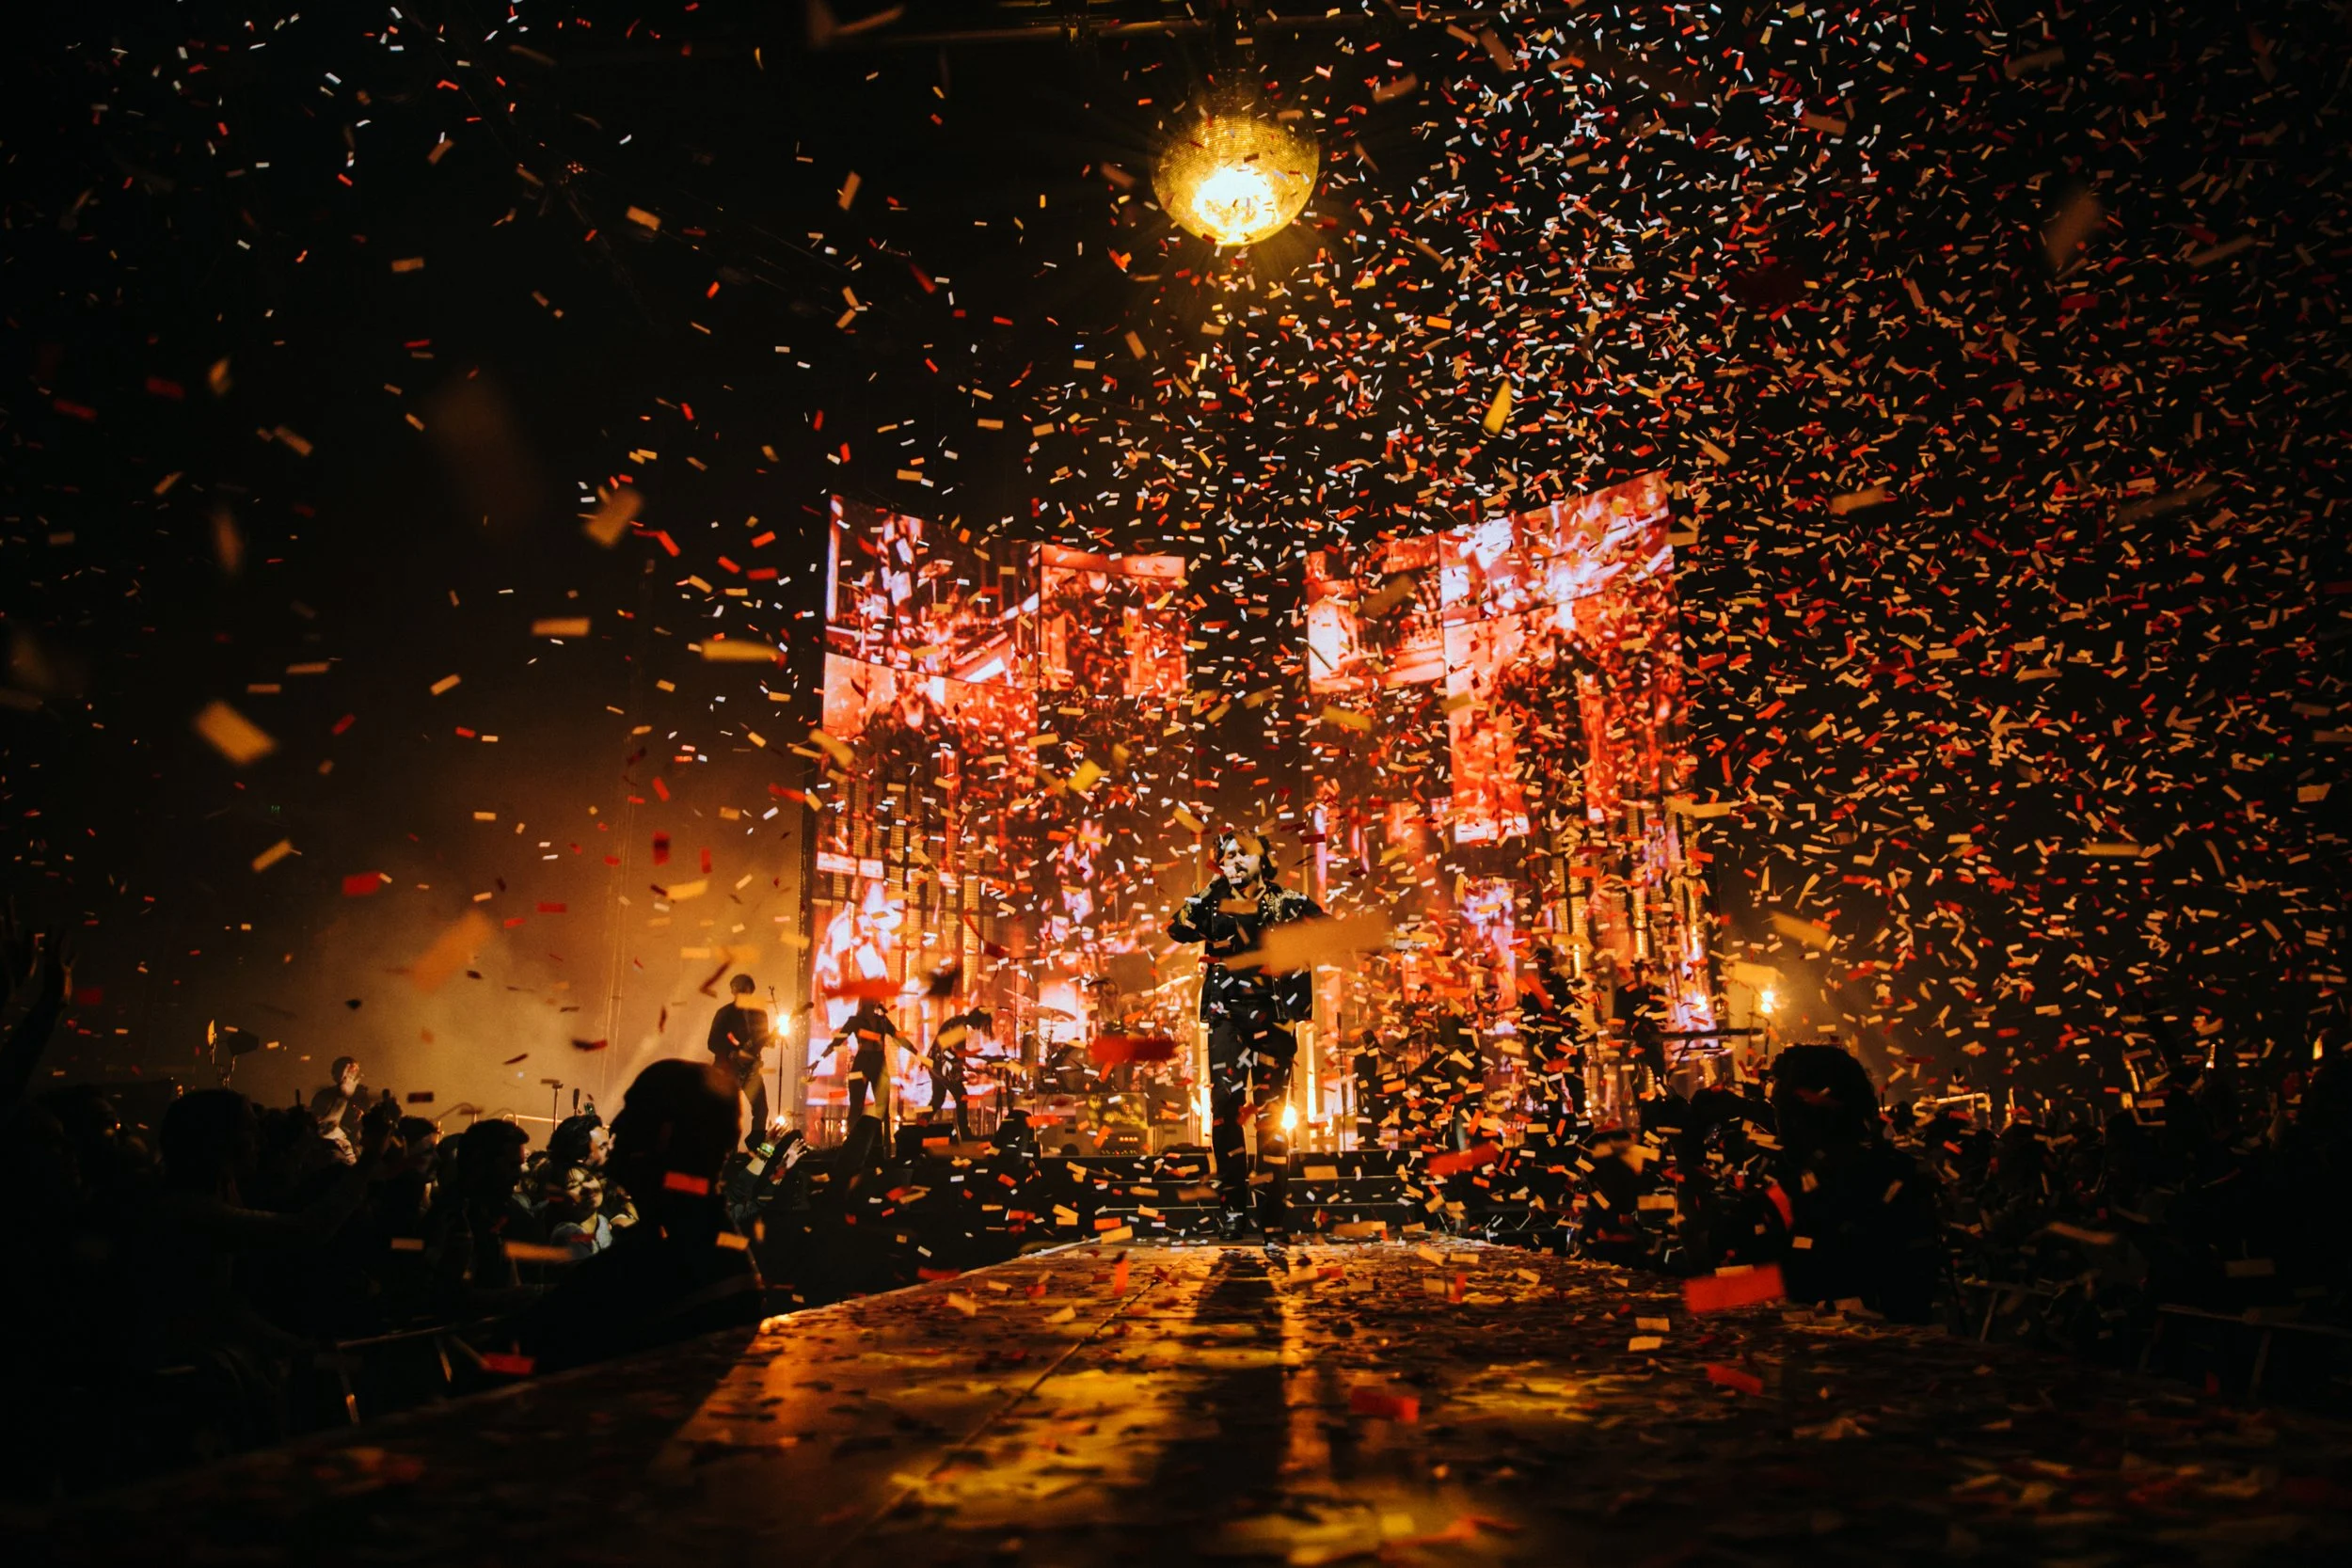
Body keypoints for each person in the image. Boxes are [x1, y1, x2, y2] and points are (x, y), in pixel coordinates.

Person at [520, 1059, 765, 1373]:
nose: (617, 1125)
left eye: (632, 1108)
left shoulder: (646, 1271)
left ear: (664, 1134)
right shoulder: (714, 1251)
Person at [1168, 830, 1323, 1242]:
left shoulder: (1289, 903)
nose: (1233, 860)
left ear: (1264, 859)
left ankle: (1272, 1215)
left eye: (1242, 854)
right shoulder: (1213, 902)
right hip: (1226, 1017)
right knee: (1225, 1109)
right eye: (1226, 855)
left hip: (1274, 1017)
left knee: (1273, 1118)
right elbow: (1177, 929)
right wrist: (1211, 886)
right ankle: (1233, 1209)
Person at [816, 997, 907, 1138]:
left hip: (878, 1063)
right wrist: (818, 1060)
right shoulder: (855, 1021)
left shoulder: (881, 1020)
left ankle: (883, 1146)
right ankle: (851, 1142)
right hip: (862, 1063)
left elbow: (898, 1037)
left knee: (883, 1109)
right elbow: (837, 1041)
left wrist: (921, 1056)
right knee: (856, 1107)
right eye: (869, 1004)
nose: (872, 1006)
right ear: (863, 1005)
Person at [707, 974, 774, 1148]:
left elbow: (761, 1040)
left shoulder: (760, 1014)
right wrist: (732, 1053)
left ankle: (755, 1148)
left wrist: (769, 1040)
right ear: (734, 991)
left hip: (750, 1069)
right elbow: (712, 1042)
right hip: (728, 1070)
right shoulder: (725, 1013)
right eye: (741, 990)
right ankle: (728, 1152)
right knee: (729, 1112)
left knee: (761, 1110)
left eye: (747, 990)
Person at [928, 1008, 991, 1141]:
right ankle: (966, 1135)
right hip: (942, 1065)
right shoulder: (959, 1026)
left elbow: (954, 1051)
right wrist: (979, 1053)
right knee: (961, 1095)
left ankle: (919, 1127)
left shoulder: (957, 1021)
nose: (980, 1028)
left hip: (935, 1063)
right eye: (982, 1024)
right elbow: (958, 1051)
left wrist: (970, 1067)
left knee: (937, 1099)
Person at [306, 1056, 365, 1148]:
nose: (351, 1074)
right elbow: (322, 1127)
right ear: (334, 1073)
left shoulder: (360, 1097)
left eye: (354, 1071)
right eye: (348, 1070)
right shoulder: (323, 1096)